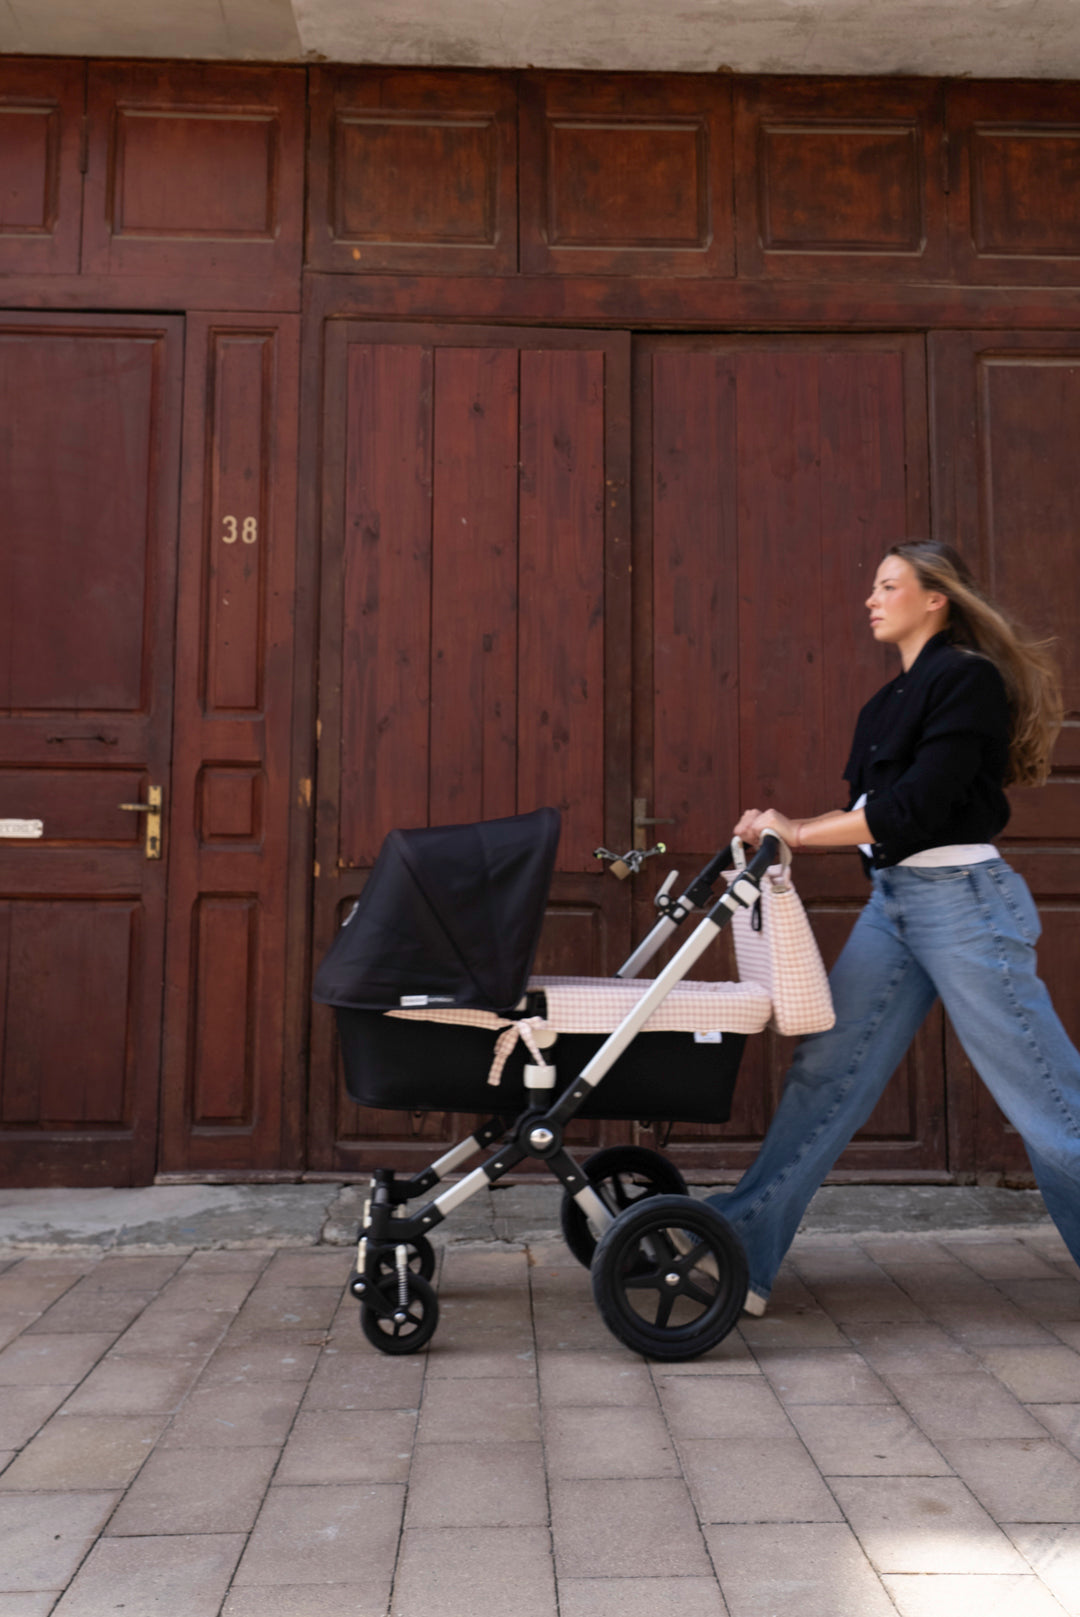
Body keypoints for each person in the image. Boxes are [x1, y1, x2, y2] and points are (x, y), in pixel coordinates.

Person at [708, 540, 1080, 1314]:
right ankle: (743, 1249)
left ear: (936, 596)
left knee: (1048, 1103)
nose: (871, 599)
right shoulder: (883, 705)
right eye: (872, 586)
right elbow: (867, 821)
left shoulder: (967, 681)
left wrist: (800, 830)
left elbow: (917, 807)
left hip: (964, 904)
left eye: (888, 585)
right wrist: (783, 832)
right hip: (897, 904)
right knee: (826, 1075)